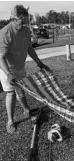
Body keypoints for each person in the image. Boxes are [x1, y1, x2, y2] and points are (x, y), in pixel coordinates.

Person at [0, 5, 49, 134]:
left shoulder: (26, 31)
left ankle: (26, 109)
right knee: (11, 93)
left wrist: (40, 63)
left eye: (25, 22)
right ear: (13, 19)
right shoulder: (5, 33)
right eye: (21, 22)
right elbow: (1, 58)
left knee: (21, 90)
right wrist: (9, 74)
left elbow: (30, 49)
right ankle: (10, 121)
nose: (23, 25)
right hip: (6, 69)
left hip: (20, 67)